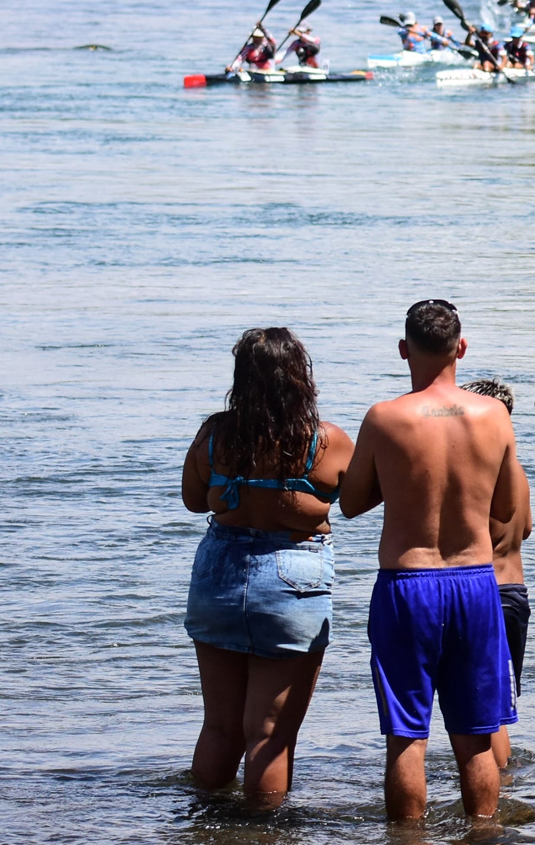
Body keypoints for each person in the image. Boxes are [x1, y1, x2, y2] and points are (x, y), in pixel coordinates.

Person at [339, 299, 522, 821]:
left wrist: (401, 481)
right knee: (476, 739)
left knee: (406, 739)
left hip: (407, 584)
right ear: (461, 348)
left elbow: (350, 503)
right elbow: (506, 508)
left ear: (404, 350)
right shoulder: (494, 416)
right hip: (475, 584)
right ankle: (483, 834)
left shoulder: (384, 417)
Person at [181, 328, 353, 808]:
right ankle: (261, 837)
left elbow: (194, 500)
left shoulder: (215, 433)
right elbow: (359, 501)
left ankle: (202, 827)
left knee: (218, 725)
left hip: (218, 574)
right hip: (293, 579)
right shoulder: (327, 441)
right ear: (301, 378)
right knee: (271, 735)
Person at [462, 379, 530, 768]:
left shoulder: (476, 473)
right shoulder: (517, 472)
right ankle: (503, 786)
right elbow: (527, 527)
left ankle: (497, 795)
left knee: (487, 713)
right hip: (515, 592)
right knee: (499, 704)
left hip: (484, 591)